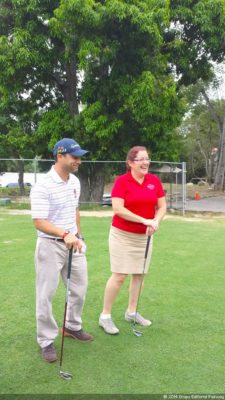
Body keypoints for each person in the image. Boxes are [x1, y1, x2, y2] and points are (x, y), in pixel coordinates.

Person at [30, 138, 94, 363]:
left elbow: (74, 210)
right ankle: (46, 340)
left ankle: (72, 325)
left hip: (73, 243)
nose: (79, 160)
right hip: (50, 245)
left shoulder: (74, 181)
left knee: (79, 288)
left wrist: (77, 234)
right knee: (46, 294)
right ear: (60, 156)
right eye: (74, 156)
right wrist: (64, 233)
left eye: (79, 156)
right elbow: (39, 221)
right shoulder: (43, 185)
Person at [99, 146, 166, 335]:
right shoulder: (122, 182)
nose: (146, 162)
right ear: (130, 163)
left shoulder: (154, 181)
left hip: (144, 237)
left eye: (147, 158)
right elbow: (118, 209)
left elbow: (162, 207)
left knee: (139, 274)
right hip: (122, 235)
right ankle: (105, 316)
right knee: (119, 275)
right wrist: (144, 220)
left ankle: (132, 312)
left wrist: (155, 221)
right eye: (141, 159)